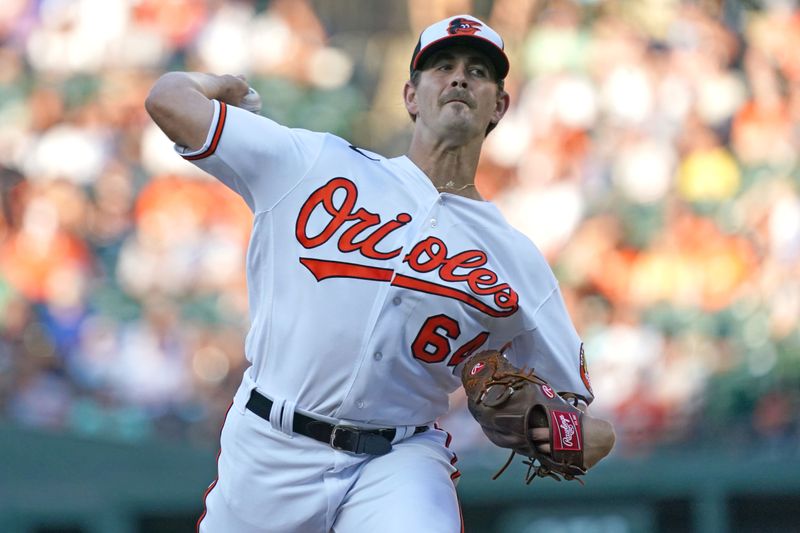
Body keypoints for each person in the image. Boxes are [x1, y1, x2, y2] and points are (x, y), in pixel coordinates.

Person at [145, 14, 614, 533]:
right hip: (269, 445)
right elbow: (168, 101)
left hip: (397, 459)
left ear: (498, 106)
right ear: (411, 96)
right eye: (443, 67)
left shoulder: (516, 260)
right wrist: (222, 85)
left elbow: (595, 435)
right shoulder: (315, 162)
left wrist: (549, 431)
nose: (459, 78)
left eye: (479, 71)